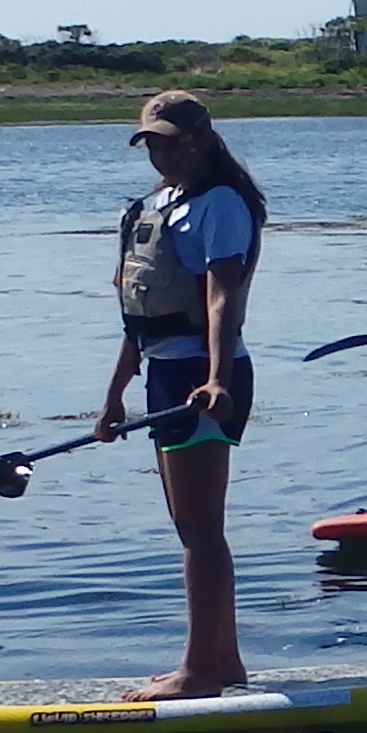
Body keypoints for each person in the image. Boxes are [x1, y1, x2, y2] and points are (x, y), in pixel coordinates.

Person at [95, 92, 266, 701]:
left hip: (204, 375)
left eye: (171, 140)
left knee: (200, 531)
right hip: (163, 374)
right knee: (189, 527)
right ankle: (225, 663)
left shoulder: (221, 205)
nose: (160, 151)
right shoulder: (151, 208)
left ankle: (198, 671)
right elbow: (135, 316)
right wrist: (114, 397)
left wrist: (217, 377)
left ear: (201, 139)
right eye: (152, 142)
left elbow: (222, 300)